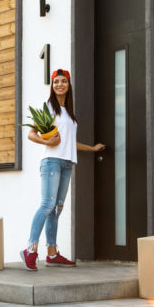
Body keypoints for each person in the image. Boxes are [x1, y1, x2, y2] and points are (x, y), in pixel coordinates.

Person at [21, 69, 105, 271]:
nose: (60, 84)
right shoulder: (49, 107)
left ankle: (52, 253)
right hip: (51, 161)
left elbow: (69, 143)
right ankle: (30, 249)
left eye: (63, 81)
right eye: (56, 81)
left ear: (69, 85)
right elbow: (31, 134)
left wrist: (92, 149)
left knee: (57, 209)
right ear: (52, 85)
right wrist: (45, 140)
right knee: (47, 205)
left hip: (67, 163)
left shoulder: (68, 112)